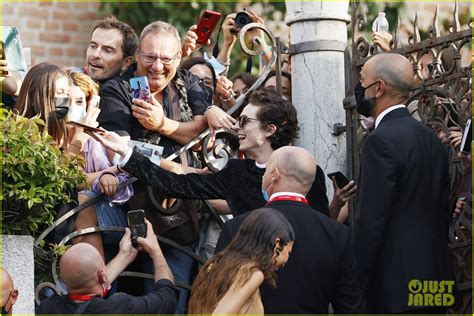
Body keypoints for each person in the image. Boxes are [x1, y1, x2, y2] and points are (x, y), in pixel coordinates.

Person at [89, 90, 331, 217]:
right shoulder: (236, 172)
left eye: (245, 121)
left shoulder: (307, 172)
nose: (237, 127)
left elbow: (320, 225)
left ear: (269, 129)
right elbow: (176, 184)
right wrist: (126, 152)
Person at [353, 53, 454, 313]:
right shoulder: (430, 137)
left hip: (397, 285)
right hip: (436, 279)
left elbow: (372, 219)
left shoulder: (380, 140)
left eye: (362, 83)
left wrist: (356, 283)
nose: (358, 91)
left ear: (379, 88)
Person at [216, 146, 362, 313]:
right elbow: (349, 306)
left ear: (274, 175)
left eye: (265, 172)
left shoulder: (236, 228)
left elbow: (218, 295)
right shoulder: (337, 233)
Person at [38, 222, 178, 314]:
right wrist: (155, 251)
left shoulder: (48, 308)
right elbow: (167, 298)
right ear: (102, 276)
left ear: (63, 278)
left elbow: (90, 285)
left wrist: (125, 256)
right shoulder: (118, 308)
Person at [188, 208, 294, 314]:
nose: (286, 261)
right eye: (288, 252)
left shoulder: (218, 264)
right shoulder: (252, 273)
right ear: (277, 243)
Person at [14, 63, 99, 155]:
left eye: (66, 93)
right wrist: (78, 139)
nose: (65, 101)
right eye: (59, 92)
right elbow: (56, 169)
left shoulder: (59, 133)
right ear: (36, 95)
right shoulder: (22, 134)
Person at [85, 16, 138, 83]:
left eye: (107, 51)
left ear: (126, 62)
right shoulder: (70, 83)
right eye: (93, 46)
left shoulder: (134, 91)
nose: (95, 54)